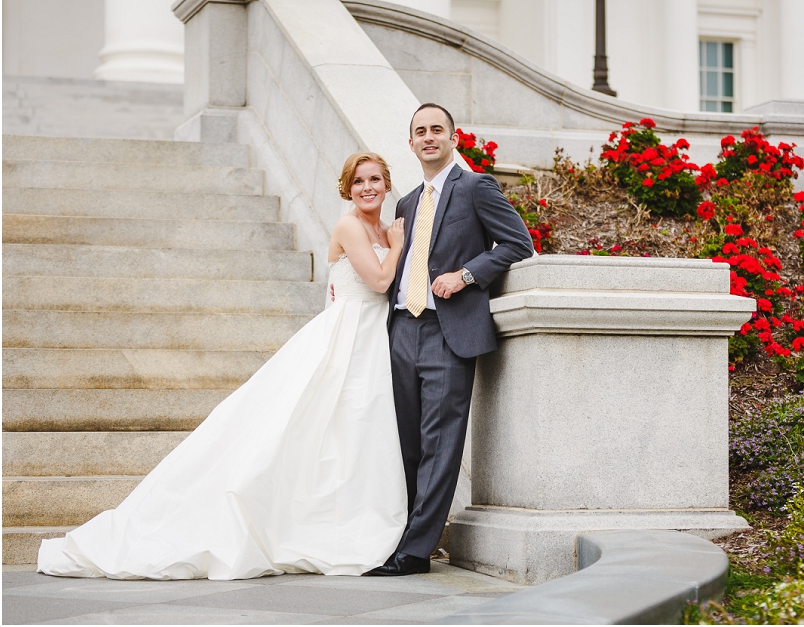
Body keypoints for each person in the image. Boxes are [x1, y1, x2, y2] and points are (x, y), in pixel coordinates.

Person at [36, 153, 410, 580]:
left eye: (375, 179)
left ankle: (348, 525)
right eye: (359, 180)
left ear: (386, 184)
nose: (367, 187)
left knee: (354, 436)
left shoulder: (383, 226)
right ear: (348, 187)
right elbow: (380, 281)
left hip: (372, 338)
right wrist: (398, 247)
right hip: (347, 334)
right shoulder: (351, 226)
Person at [365, 103, 533, 576]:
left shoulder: (476, 187)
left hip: (447, 331)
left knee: (440, 443)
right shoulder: (407, 202)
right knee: (407, 444)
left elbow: (519, 243)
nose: (428, 137)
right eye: (420, 131)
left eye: (437, 129)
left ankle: (415, 552)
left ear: (453, 137)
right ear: (411, 143)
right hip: (401, 328)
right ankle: (403, 537)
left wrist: (466, 274)